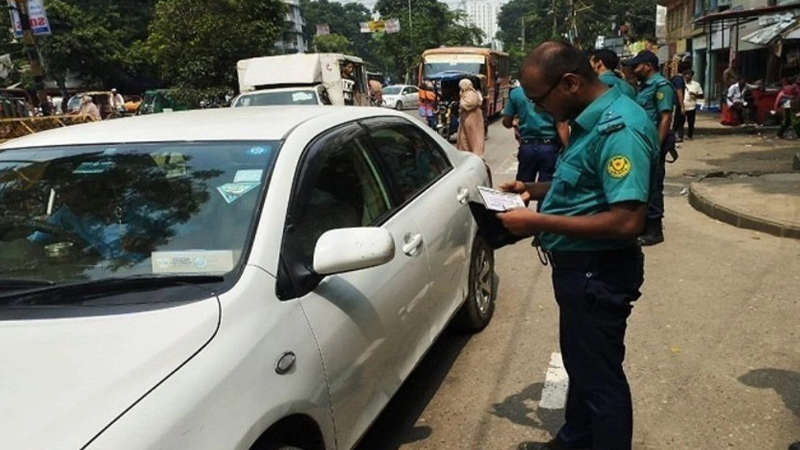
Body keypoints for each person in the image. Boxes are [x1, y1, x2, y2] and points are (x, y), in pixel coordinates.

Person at [496, 40, 658, 450]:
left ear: (568, 83)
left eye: (538, 100)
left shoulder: (619, 128)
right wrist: (532, 189)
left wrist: (535, 221)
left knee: (601, 382)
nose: (536, 110)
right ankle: (574, 440)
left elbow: (626, 220)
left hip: (597, 273)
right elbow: (586, 185)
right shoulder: (591, 119)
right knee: (583, 369)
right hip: (579, 270)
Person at [622, 49, 675, 246]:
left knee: (653, 186)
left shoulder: (661, 86)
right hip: (642, 143)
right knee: (643, 185)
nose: (634, 70)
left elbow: (666, 117)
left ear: (648, 66)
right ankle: (643, 225)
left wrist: (656, 146)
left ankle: (654, 229)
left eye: (636, 66)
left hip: (653, 144)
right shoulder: (643, 87)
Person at [501, 83, 569, 210]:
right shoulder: (553, 91)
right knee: (547, 188)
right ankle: (543, 222)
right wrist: (568, 149)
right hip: (549, 148)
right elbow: (562, 126)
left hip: (527, 147)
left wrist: (516, 121)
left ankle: (518, 218)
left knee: (522, 185)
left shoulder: (516, 93)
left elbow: (506, 122)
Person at [456, 78, 485, 158]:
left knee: (474, 137)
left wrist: (461, 103)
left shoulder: (472, 94)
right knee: (464, 137)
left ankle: (477, 154)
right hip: (465, 119)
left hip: (473, 120)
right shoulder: (464, 94)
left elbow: (470, 103)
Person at [681, 70, 704, 140]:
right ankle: (680, 136)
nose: (686, 76)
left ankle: (689, 136)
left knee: (691, 122)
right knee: (680, 122)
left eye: (688, 74)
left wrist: (694, 94)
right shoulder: (681, 83)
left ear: (691, 76)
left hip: (691, 106)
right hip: (682, 106)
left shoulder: (696, 85)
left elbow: (701, 96)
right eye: (685, 74)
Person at [670, 65, 687, 142]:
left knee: (677, 120)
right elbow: (679, 92)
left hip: (673, 102)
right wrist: (682, 106)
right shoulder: (679, 80)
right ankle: (671, 137)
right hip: (675, 103)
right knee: (674, 120)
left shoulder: (675, 78)